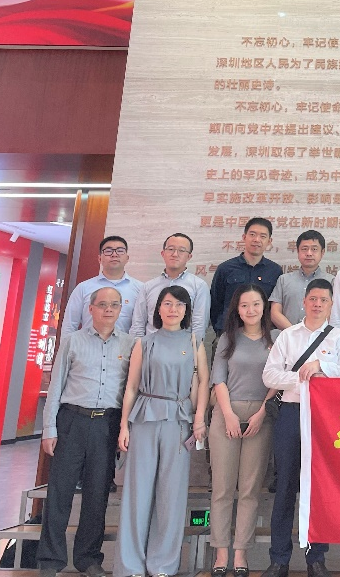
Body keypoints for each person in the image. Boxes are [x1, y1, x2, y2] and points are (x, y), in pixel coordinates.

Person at [38, 287, 134, 577]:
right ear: (90, 309)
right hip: (72, 421)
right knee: (60, 493)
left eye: (114, 305)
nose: (108, 309)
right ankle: (50, 561)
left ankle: (88, 558)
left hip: (107, 425)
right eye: (102, 304)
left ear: (121, 310)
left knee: (97, 494)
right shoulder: (73, 341)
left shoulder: (130, 345)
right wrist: (49, 428)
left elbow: (131, 390)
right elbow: (56, 386)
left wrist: (124, 429)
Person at [116, 286, 209, 577]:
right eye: (167, 303)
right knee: (137, 492)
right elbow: (131, 386)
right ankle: (130, 565)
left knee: (172, 494)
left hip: (179, 420)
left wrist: (199, 419)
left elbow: (203, 384)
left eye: (179, 304)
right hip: (145, 417)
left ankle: (163, 565)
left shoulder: (194, 342)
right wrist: (124, 424)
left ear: (187, 310)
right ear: (158, 308)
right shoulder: (144, 343)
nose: (173, 309)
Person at [261, 279, 340, 577]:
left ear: (331, 305)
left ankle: (317, 559)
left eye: (323, 300)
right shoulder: (287, 336)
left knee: (319, 488)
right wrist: (303, 378)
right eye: (313, 299)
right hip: (290, 413)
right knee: (285, 487)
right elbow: (269, 376)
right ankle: (279, 559)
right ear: (304, 302)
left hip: (324, 418)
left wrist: (321, 367)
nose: (317, 304)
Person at [209, 284, 277, 577]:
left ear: (264, 307)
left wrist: (263, 412)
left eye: (256, 304)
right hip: (227, 413)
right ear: (237, 309)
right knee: (223, 488)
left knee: (250, 489)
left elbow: (279, 379)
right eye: (245, 305)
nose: (251, 310)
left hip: (262, 415)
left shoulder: (276, 339)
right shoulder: (228, 338)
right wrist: (228, 415)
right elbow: (219, 380)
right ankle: (220, 552)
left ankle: (240, 553)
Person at [129, 233, 210, 339]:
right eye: (171, 249)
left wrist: (195, 347)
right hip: (150, 346)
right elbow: (138, 324)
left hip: (183, 346)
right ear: (163, 253)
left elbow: (199, 326)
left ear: (189, 257)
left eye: (181, 250)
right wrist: (138, 347)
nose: (175, 254)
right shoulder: (148, 287)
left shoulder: (199, 286)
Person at [210, 218, 283, 334]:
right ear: (244, 237)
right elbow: (215, 304)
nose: (257, 240)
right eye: (252, 234)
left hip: (263, 335)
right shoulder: (225, 268)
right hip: (229, 333)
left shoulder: (275, 271)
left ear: (269, 241)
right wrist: (220, 329)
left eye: (263, 236)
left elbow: (275, 306)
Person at [61, 236, 142, 335]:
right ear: (99, 258)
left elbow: (141, 327)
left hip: (126, 345)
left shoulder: (140, 289)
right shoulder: (83, 288)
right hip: (88, 344)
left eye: (120, 251)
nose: (114, 254)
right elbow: (69, 325)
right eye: (108, 251)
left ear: (127, 258)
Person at [270, 230, 332, 329]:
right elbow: (275, 312)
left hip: (319, 336)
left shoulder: (332, 281)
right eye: (304, 249)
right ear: (298, 251)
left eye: (314, 249)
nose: (309, 253)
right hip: (287, 336)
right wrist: (294, 333)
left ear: (322, 252)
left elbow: (333, 313)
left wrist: (313, 333)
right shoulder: (284, 280)